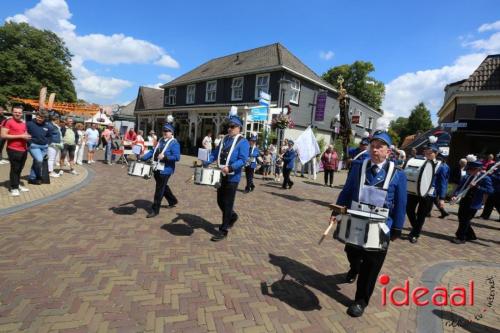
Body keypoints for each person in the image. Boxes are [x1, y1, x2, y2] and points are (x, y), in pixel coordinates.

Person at [334, 129, 407, 317]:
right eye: (372, 146)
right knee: (351, 251)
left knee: (372, 265)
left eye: (379, 147)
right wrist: (337, 209)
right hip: (356, 220)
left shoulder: (398, 173)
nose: (374, 150)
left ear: (388, 152)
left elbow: (401, 203)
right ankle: (354, 267)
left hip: (381, 226)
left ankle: (360, 301)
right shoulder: (359, 166)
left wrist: (397, 227)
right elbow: (347, 190)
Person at [204, 108, 249, 242]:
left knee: (228, 203)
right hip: (220, 175)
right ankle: (232, 216)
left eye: (232, 126)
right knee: (220, 201)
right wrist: (206, 161)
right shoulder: (225, 140)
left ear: (239, 128)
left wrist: (230, 167)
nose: (229, 129)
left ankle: (223, 230)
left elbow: (243, 160)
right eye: (228, 126)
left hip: (232, 177)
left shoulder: (243, 142)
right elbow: (215, 153)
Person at [406, 139, 448, 243]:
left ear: (436, 153)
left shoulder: (441, 166)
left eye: (431, 153)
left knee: (421, 214)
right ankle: (416, 228)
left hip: (429, 194)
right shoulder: (420, 161)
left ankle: (415, 234)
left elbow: (442, 183)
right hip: (416, 190)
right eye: (426, 152)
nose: (428, 154)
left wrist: (442, 198)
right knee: (409, 210)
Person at [451, 155, 493, 244]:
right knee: (461, 218)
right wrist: (455, 195)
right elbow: (460, 187)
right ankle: (471, 235)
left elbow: (490, 190)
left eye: (470, 170)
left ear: (477, 169)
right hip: (464, 200)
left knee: (465, 220)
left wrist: (477, 186)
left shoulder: (485, 178)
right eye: (468, 170)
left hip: (474, 202)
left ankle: (461, 237)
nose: (468, 171)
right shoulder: (467, 177)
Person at [142, 123, 180, 218]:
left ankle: (155, 209)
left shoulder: (174, 143)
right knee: (163, 186)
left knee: (159, 189)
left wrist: (165, 157)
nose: (165, 132)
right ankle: (172, 200)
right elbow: (152, 151)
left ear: (171, 132)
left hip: (166, 170)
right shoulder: (160, 140)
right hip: (156, 168)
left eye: (167, 131)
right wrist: (143, 158)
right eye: (164, 130)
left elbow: (177, 157)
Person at [0, 105, 31, 196]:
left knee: (20, 169)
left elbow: (24, 133)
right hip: (13, 149)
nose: (18, 114)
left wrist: (27, 136)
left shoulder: (23, 123)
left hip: (23, 149)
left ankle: (17, 184)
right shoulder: (8, 121)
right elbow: (3, 135)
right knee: (15, 169)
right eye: (16, 112)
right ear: (12, 112)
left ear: (22, 113)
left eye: (19, 112)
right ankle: (14, 188)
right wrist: (21, 136)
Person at [27, 110, 52, 185]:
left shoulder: (48, 126)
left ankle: (32, 178)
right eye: (38, 117)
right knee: (39, 160)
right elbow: (25, 133)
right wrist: (30, 143)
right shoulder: (29, 124)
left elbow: (50, 136)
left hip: (44, 147)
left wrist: (48, 143)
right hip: (34, 146)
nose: (39, 119)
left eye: (41, 118)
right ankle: (38, 176)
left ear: (44, 118)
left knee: (36, 162)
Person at [480, 154, 500, 221]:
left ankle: (485, 215)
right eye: (497, 159)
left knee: (497, 204)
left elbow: (497, 177)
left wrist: (490, 175)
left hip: (498, 190)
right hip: (493, 188)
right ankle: (485, 215)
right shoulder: (495, 168)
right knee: (489, 202)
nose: (498, 161)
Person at [433, 150, 450, 219]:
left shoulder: (443, 167)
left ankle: (443, 212)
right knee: (433, 200)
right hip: (435, 187)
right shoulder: (441, 165)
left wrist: (442, 197)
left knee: (433, 199)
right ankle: (443, 212)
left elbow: (443, 181)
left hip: (436, 187)